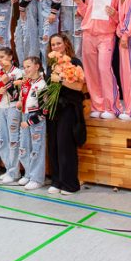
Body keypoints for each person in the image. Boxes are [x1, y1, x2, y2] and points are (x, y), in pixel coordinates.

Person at [73, 0, 124, 120]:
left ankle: (112, 107)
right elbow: (87, 12)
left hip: (106, 35)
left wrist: (114, 14)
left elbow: (122, 16)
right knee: (91, 72)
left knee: (104, 69)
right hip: (89, 33)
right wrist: (79, 3)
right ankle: (97, 106)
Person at [45, 33, 85, 195]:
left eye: (58, 43)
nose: (55, 47)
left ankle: (69, 184)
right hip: (53, 109)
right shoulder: (51, 64)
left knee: (65, 146)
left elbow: (79, 87)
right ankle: (56, 181)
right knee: (53, 145)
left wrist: (61, 80)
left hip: (68, 108)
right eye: (53, 44)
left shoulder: (75, 62)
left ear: (66, 44)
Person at [17, 56, 47, 190]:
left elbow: (44, 111)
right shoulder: (26, 83)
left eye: (28, 66)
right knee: (24, 147)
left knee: (37, 149)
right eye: (24, 67)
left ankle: (37, 179)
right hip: (25, 116)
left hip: (35, 120)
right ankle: (28, 173)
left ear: (37, 66)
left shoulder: (42, 85)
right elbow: (23, 99)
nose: (26, 69)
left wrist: (30, 122)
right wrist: (20, 103)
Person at [0, 47, 23, 184]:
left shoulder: (18, 73)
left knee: (13, 140)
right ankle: (8, 169)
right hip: (0, 107)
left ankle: (14, 171)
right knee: (2, 140)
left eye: (2, 57)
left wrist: (7, 82)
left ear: (11, 57)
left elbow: (17, 95)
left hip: (13, 108)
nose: (0, 60)